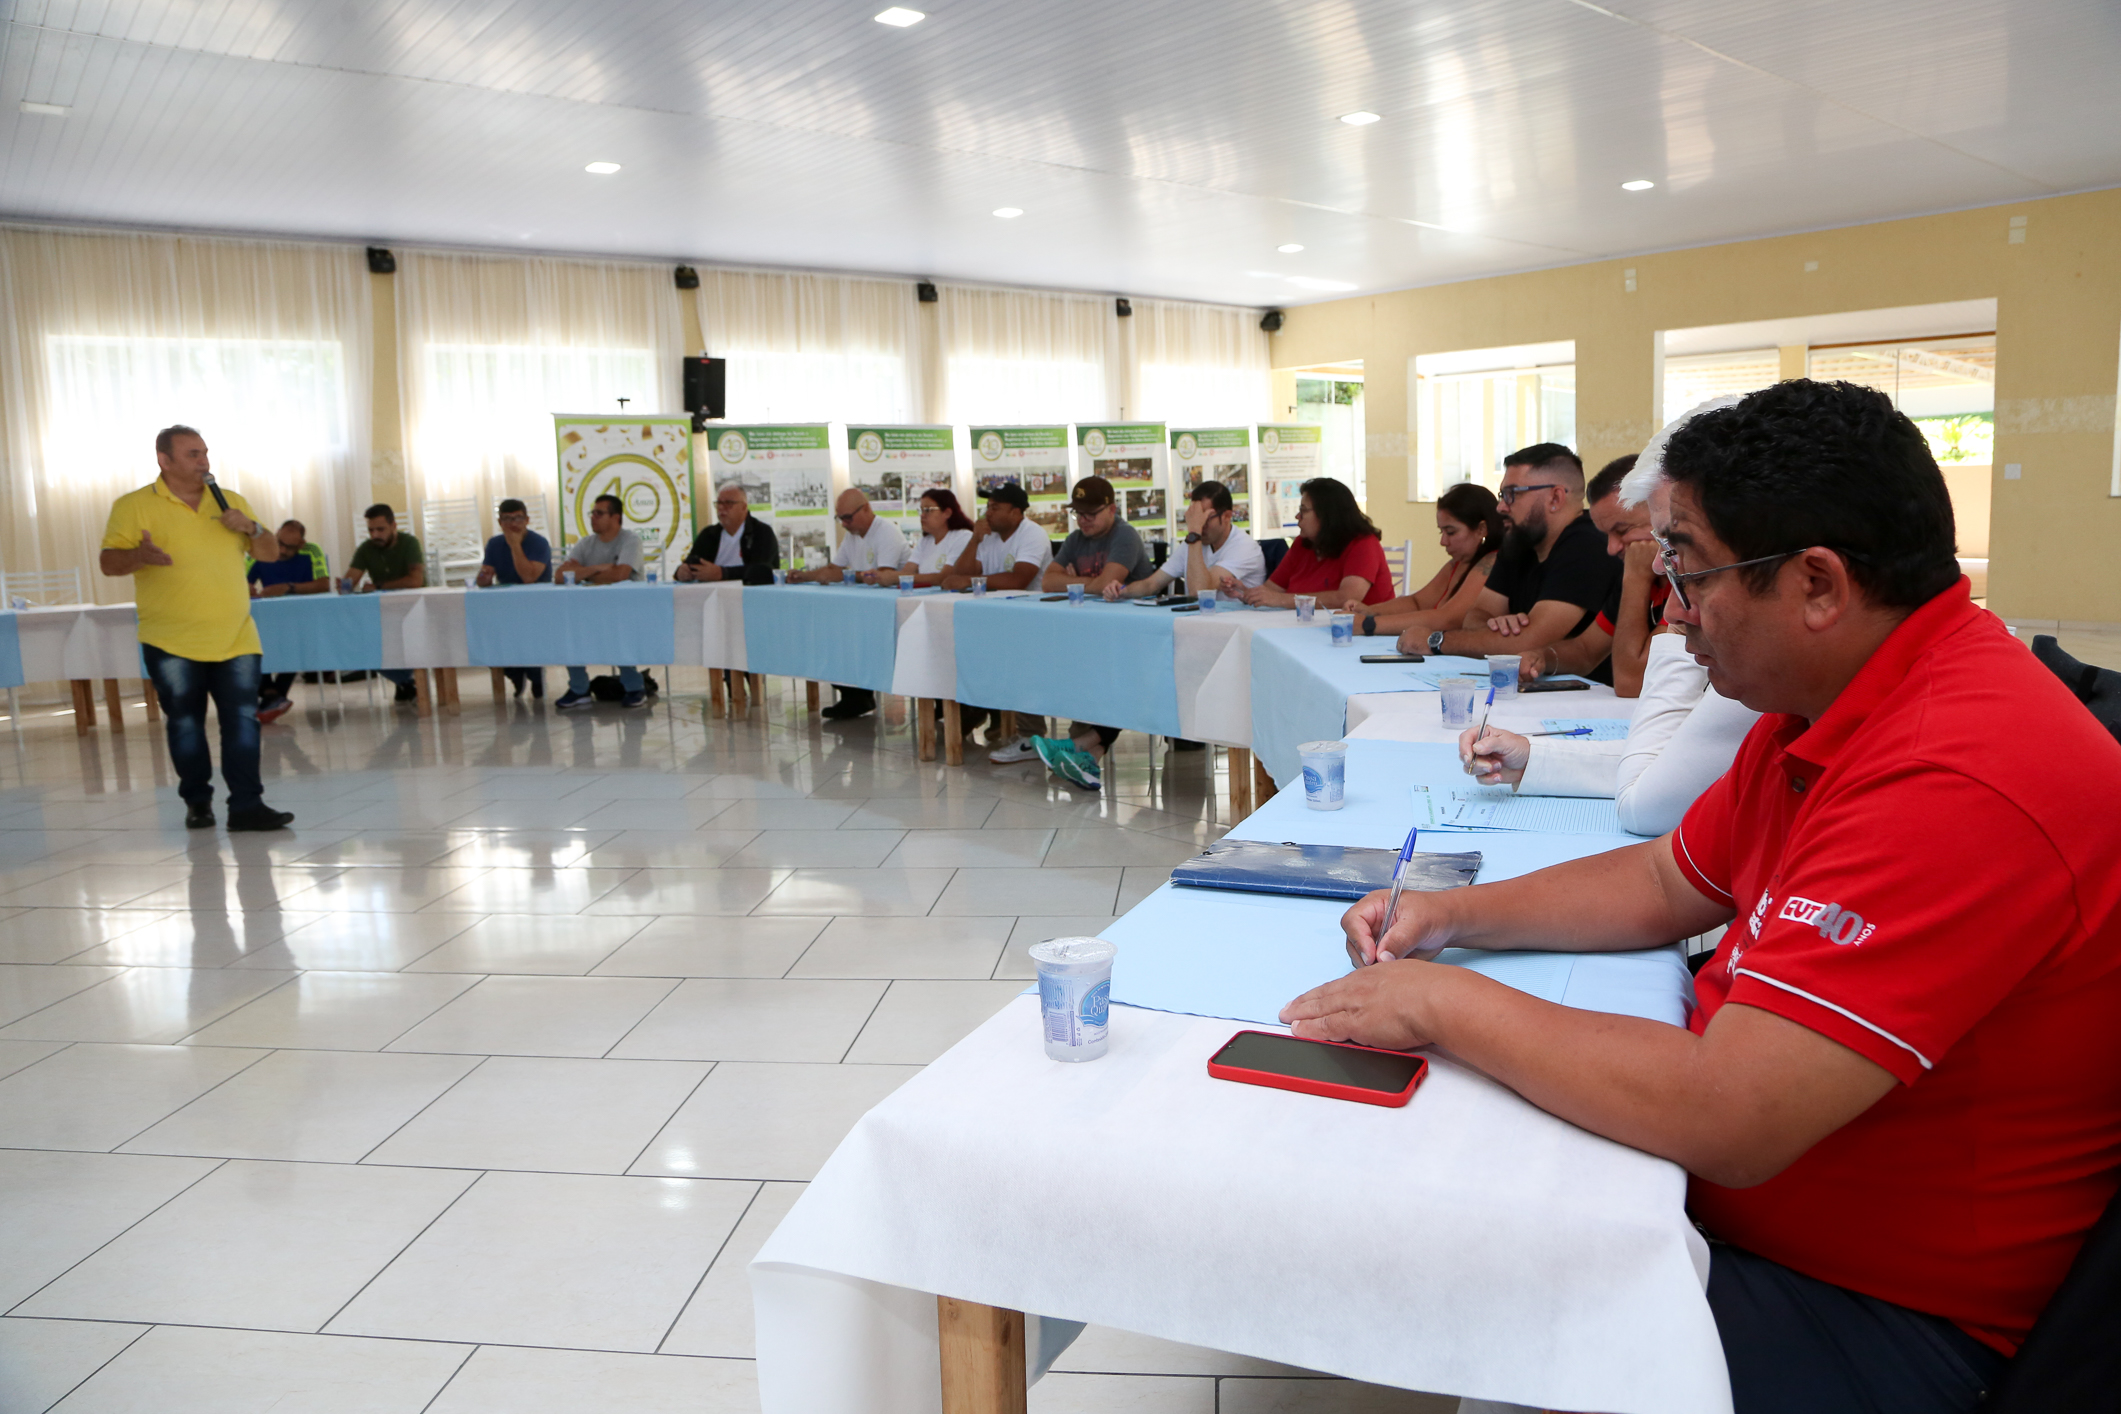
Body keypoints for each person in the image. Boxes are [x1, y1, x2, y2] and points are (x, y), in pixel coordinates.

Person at [1283, 379, 2121, 1414]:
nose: (1672, 610)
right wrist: (1450, 916)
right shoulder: (1828, 696)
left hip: (1894, 1316)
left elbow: (1732, 1114)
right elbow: (1661, 878)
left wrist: (1440, 1002)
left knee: (1497, 1293)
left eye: (1688, 568)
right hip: (1794, 1233)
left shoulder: (1959, 769)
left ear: (1816, 584)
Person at [98, 425, 293, 831]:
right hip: (170, 639)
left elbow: (271, 553)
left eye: (205, 452)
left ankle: (246, 806)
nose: (204, 461)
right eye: (192, 454)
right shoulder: (133, 506)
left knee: (242, 720)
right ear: (164, 460)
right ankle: (198, 802)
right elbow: (109, 563)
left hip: (235, 635)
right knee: (185, 721)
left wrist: (251, 529)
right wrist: (139, 555)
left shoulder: (232, 502)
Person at [1399, 444, 1620, 681]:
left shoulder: (1588, 545)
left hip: (1588, 698)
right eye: (1502, 494)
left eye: (1512, 494)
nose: (1501, 506)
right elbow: (1474, 617)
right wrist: (1496, 627)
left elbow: (1527, 643)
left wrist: (1436, 640)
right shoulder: (1520, 540)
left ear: (1555, 497)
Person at [1497, 454, 1666, 697]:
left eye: (1622, 531)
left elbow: (1630, 682)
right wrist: (1542, 656)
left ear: (1662, 517)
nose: (1611, 548)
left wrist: (1636, 580)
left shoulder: (1686, 580)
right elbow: (1586, 650)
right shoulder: (1641, 571)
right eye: (1606, 534)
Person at [1027, 476, 1157, 789]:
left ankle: (1079, 746)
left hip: (1139, 636)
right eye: (1078, 514)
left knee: (1116, 676)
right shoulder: (1076, 538)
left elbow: (1105, 585)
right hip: (1098, 633)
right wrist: (1092, 581)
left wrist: (1079, 580)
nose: (1083, 521)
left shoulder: (1124, 536)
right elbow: (1049, 581)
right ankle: (1088, 754)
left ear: (1112, 509)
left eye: (1090, 514)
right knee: (1079, 669)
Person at [940, 484, 1053, 764]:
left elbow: (1019, 580)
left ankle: (1031, 736)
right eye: (987, 507)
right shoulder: (987, 537)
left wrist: (970, 582)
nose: (987, 513)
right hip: (994, 619)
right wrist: (974, 541)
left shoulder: (1033, 534)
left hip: (1032, 620)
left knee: (1021, 665)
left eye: (995, 507)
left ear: (1016, 512)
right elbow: (959, 575)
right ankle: (981, 712)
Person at [789, 488, 907, 720]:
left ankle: (860, 693)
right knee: (827, 632)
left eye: (847, 517)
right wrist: (805, 576)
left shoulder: (887, 533)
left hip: (888, 612)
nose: (843, 524)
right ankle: (852, 694)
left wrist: (851, 575)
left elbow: (882, 575)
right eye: (839, 518)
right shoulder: (852, 535)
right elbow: (835, 570)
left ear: (866, 509)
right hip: (862, 608)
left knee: (846, 635)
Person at [1358, 482, 1504, 640]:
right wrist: (1368, 611)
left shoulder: (1492, 562)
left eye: (1451, 532)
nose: (1443, 541)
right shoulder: (1457, 563)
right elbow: (1417, 602)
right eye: (1441, 532)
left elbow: (1448, 619)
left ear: (1481, 529)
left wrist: (1369, 624)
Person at [1232, 477, 1395, 609]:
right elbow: (1271, 591)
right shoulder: (1303, 544)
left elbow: (1347, 598)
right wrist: (1247, 593)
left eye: (1303, 510)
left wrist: (1281, 600)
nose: (1297, 516)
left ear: (1327, 515)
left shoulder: (1363, 544)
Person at [553, 494, 650, 711]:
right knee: (569, 629)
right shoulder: (585, 543)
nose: (593, 517)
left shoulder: (630, 540)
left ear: (616, 517)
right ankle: (579, 689)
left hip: (624, 608)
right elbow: (560, 576)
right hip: (588, 609)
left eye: (599, 513)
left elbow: (620, 575)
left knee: (617, 630)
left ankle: (634, 687)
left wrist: (581, 574)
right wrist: (598, 568)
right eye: (592, 513)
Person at [1104, 480, 1266, 600]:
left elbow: (1200, 592)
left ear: (1227, 516)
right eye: (1194, 518)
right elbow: (1152, 584)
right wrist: (1122, 590)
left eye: (1205, 519)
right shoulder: (1195, 543)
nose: (1199, 525)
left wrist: (1194, 532)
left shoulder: (1245, 547)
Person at [247, 519, 331, 723]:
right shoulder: (264, 549)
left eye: (288, 547)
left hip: (301, 616)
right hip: (268, 618)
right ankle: (273, 697)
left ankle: (271, 696)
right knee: (255, 641)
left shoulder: (312, 551)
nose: (281, 550)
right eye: (279, 543)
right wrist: (246, 588)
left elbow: (324, 584)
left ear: (301, 544)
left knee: (295, 639)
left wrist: (288, 587)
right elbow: (241, 579)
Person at [344, 503, 425, 704]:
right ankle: (405, 682)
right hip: (382, 610)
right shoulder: (366, 548)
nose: (375, 535)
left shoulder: (409, 543)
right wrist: (344, 585)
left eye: (380, 529)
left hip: (413, 607)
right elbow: (350, 580)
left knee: (406, 640)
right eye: (371, 530)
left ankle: (405, 682)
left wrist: (379, 585)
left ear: (393, 526)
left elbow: (415, 581)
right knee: (363, 641)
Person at [474, 498, 553, 700]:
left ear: (527, 520)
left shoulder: (539, 543)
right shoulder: (494, 543)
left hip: (536, 603)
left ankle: (536, 676)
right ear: (500, 522)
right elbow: (484, 579)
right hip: (505, 603)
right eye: (507, 519)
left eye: (518, 518)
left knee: (528, 634)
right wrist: (483, 577)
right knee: (487, 632)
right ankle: (514, 674)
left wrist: (515, 546)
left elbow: (529, 577)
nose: (512, 524)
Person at [677, 484, 780, 586]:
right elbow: (693, 562)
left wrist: (722, 573)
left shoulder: (761, 532)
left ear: (744, 507)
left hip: (750, 594)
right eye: (719, 503)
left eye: (728, 503)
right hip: (711, 594)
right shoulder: (709, 534)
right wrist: (681, 572)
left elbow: (764, 571)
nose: (721, 507)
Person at [876, 489, 974, 588]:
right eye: (921, 510)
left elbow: (945, 577)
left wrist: (896, 577)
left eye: (928, 510)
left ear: (947, 513)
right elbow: (906, 572)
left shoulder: (963, 537)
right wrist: (880, 576)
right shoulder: (925, 541)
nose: (922, 516)